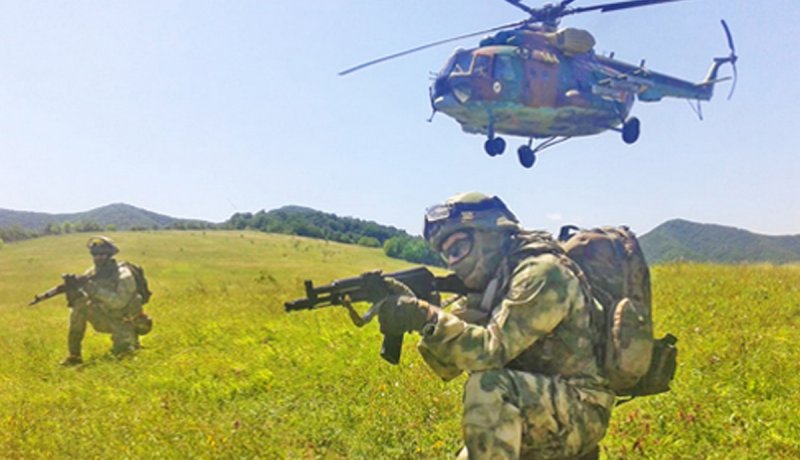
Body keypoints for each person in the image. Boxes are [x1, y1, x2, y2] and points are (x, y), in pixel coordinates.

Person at [374, 192, 614, 459]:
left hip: (582, 408)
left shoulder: (543, 273)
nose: (453, 263)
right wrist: (429, 317)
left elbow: (490, 352)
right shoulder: (492, 285)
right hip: (538, 403)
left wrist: (426, 316)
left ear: (489, 234)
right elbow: (448, 368)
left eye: (457, 249)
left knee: (488, 386)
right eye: (446, 255)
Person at [60, 236, 147, 365]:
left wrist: (94, 290)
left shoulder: (124, 274)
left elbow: (119, 303)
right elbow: (85, 295)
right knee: (79, 306)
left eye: (102, 254)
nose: (98, 258)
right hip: (105, 317)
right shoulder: (92, 272)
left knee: (123, 357)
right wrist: (74, 292)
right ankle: (74, 356)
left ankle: (133, 341)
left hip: (124, 321)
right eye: (95, 254)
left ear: (110, 255)